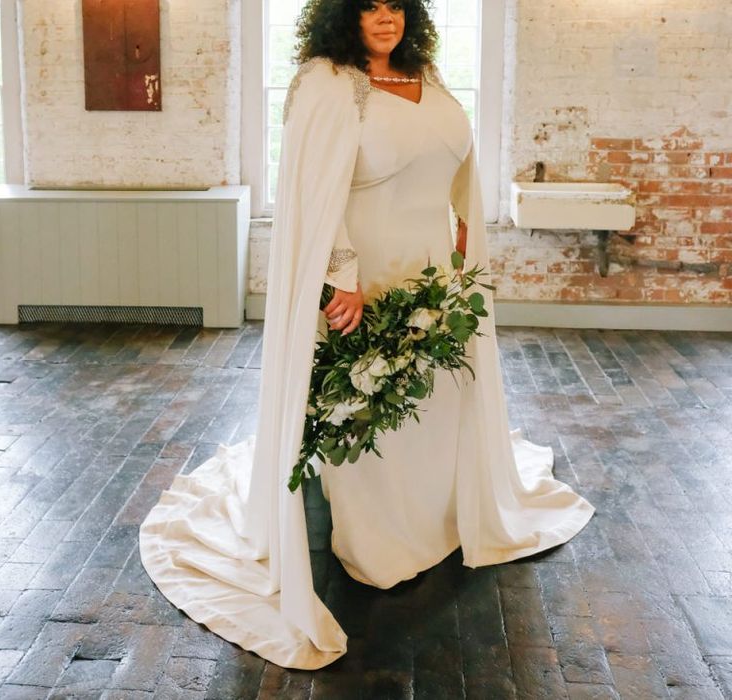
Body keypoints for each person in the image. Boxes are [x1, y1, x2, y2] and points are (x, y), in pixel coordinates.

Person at [140, 0, 595, 671]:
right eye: (369, 6)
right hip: (371, 271)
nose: (386, 18)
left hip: (434, 266)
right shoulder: (324, 83)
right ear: (341, 14)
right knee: (372, 400)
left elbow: (455, 163)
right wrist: (340, 278)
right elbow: (316, 192)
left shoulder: (427, 74)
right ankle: (378, 542)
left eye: (397, 5)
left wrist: (467, 224)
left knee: (438, 396)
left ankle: (440, 515)